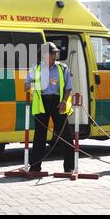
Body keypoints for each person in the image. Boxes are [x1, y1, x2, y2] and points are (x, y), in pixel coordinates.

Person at [25, 42, 74, 173]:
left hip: (58, 103)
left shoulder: (62, 68)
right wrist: (30, 86)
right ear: (45, 55)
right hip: (42, 104)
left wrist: (64, 102)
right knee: (39, 136)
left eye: (56, 53)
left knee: (65, 136)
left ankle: (69, 167)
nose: (56, 55)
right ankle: (35, 167)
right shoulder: (36, 68)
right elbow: (27, 84)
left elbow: (68, 88)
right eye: (53, 53)